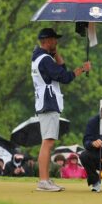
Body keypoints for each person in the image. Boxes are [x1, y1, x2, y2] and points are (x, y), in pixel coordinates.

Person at [32, 28, 91, 191]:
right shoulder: (45, 60)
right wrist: (82, 69)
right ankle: (43, 181)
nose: (56, 42)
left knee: (48, 142)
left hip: (45, 102)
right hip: (49, 102)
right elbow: (65, 77)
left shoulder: (41, 57)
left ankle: (45, 180)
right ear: (47, 40)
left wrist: (56, 54)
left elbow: (61, 70)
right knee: (48, 142)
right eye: (54, 40)